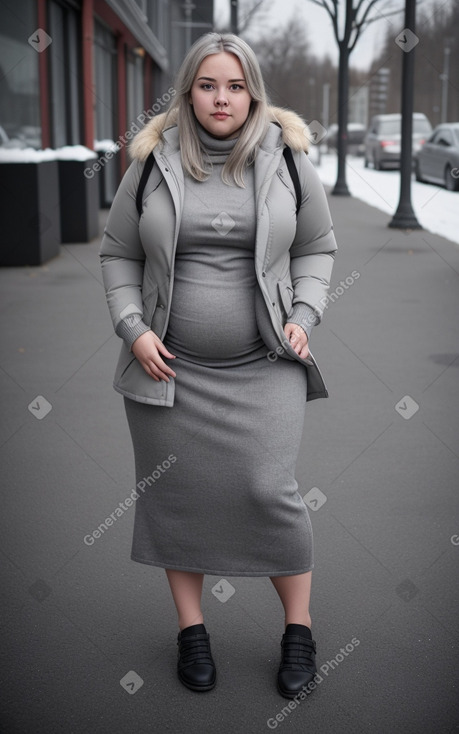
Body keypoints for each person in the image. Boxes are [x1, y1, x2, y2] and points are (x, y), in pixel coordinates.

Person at [99, 32, 337, 699]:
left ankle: (298, 629)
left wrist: (305, 315)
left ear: (253, 90)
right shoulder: (150, 160)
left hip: (266, 361)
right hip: (167, 370)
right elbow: (118, 254)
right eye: (208, 85)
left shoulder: (285, 158)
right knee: (178, 500)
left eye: (234, 85)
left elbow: (317, 245)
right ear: (188, 90)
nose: (221, 98)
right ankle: (191, 632)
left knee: (269, 490)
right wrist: (133, 328)